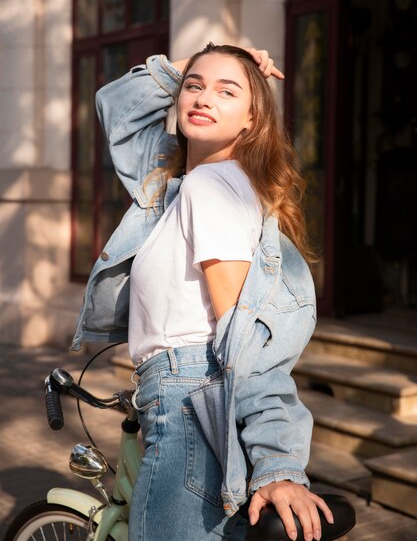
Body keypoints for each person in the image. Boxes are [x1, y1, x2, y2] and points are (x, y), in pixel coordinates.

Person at [71, 44, 334, 541]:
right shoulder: (179, 183)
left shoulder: (209, 187)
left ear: (252, 119)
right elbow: (116, 107)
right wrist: (201, 60)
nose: (202, 97)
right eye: (194, 86)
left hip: (186, 402)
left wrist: (278, 461)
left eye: (226, 91)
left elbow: (245, 339)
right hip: (184, 399)